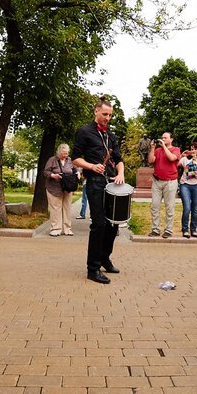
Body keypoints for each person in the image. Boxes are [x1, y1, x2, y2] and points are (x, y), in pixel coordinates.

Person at [72, 97, 125, 284]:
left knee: (114, 224)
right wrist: (92, 166)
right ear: (96, 111)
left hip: (112, 183)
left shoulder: (110, 135)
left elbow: (119, 159)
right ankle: (92, 269)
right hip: (94, 182)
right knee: (99, 224)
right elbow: (75, 158)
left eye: (110, 115)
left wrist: (121, 173)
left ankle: (104, 258)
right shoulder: (84, 131)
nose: (107, 118)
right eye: (104, 114)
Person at [146, 132, 180, 238]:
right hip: (157, 181)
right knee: (155, 206)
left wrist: (164, 146)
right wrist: (152, 148)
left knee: (169, 207)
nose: (163, 139)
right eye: (162, 138)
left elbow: (171, 158)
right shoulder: (157, 150)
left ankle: (168, 230)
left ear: (171, 139)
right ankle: (155, 229)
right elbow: (150, 160)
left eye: (165, 138)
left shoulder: (176, 149)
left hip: (170, 182)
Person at [44, 143, 76, 237]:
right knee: (55, 209)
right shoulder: (52, 160)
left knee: (67, 208)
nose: (66, 155)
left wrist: (78, 172)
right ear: (59, 152)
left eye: (67, 153)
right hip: (54, 188)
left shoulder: (69, 160)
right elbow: (46, 172)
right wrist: (53, 175)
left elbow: (76, 168)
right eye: (64, 153)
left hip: (67, 189)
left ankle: (67, 229)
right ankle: (55, 229)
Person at [178, 141, 197, 238]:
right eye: (191, 149)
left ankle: (193, 230)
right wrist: (181, 155)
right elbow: (176, 164)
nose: (193, 150)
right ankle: (185, 229)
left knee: (195, 209)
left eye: (194, 149)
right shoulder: (185, 159)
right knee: (187, 208)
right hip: (185, 184)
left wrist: (196, 159)